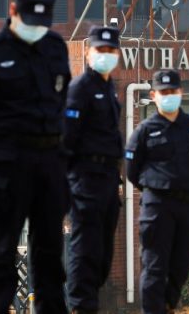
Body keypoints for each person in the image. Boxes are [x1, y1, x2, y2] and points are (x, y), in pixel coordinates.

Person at [0, 0, 71, 314]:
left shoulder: (55, 46)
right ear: (13, 11)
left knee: (50, 253)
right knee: (2, 252)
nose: (36, 29)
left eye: (42, 22)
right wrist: (1, 150)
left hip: (50, 161)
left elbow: (60, 100)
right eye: (29, 20)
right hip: (9, 163)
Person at [125, 70, 189, 314]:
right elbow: (132, 170)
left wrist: (187, 181)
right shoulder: (144, 130)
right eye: (163, 92)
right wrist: (156, 188)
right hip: (157, 206)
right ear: (154, 95)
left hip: (187, 204)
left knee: (181, 264)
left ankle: (166, 306)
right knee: (154, 267)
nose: (169, 96)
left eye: (173, 92)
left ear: (181, 92)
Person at [64, 24, 124, 314]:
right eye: (100, 49)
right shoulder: (80, 89)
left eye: (111, 50)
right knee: (85, 249)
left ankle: (89, 302)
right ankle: (80, 307)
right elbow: (66, 140)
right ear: (88, 52)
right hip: (85, 180)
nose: (106, 55)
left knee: (103, 254)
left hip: (108, 180)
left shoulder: (109, 88)